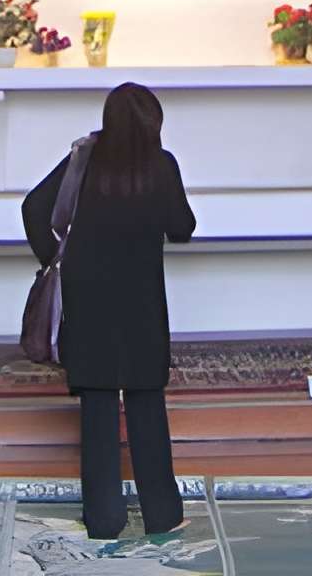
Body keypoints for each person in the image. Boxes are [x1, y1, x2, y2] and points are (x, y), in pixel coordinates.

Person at [23, 81, 197, 542]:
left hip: (89, 299)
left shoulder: (84, 159)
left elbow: (33, 208)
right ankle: (162, 514)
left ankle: (103, 521)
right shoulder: (161, 165)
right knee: (146, 405)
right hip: (140, 301)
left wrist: (55, 259)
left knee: (97, 410)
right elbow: (183, 227)